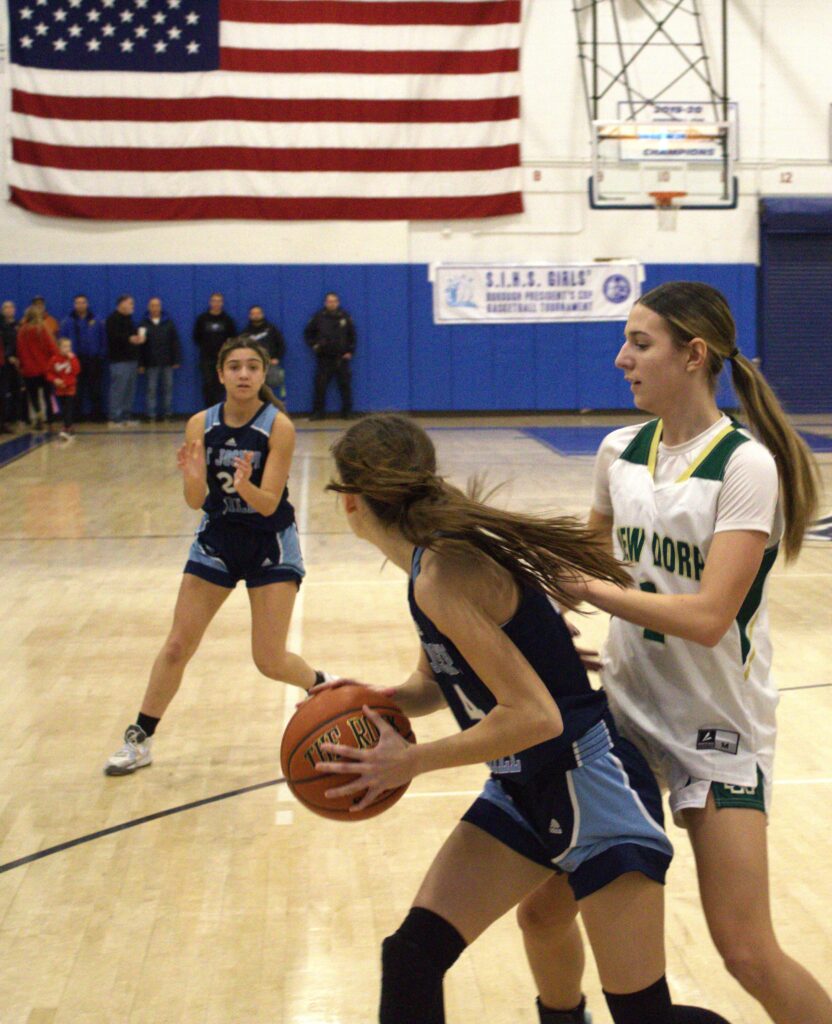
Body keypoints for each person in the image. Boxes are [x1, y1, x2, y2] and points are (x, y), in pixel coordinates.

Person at [309, 412, 730, 1024]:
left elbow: (535, 716)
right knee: (412, 957)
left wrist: (411, 760)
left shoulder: (442, 573)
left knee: (645, 1017)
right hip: (527, 784)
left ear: (350, 503)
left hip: (593, 785)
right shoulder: (430, 565)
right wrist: (369, 699)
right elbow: (437, 684)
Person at [516, 281, 832, 1024]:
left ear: (694, 355)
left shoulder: (745, 465)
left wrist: (592, 591)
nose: (622, 358)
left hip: (716, 728)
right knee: (542, 914)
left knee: (746, 951)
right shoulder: (618, 450)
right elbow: (586, 564)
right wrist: (530, 607)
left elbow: (709, 616)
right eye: (626, 341)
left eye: (641, 343)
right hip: (622, 719)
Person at [104, 337, 334, 777]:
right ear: (220, 373)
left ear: (264, 374)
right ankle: (140, 738)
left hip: (269, 540)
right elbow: (196, 501)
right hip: (218, 539)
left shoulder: (278, 426)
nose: (244, 374)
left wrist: (245, 486)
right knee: (176, 645)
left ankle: (320, 685)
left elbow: (268, 503)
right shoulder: (200, 424)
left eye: (252, 367)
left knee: (269, 660)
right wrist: (194, 478)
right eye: (235, 367)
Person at [304, 291, 356, 420]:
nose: (331, 303)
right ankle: (318, 413)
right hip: (324, 358)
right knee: (320, 387)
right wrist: (314, 345)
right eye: (329, 301)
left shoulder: (345, 317)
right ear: (325, 303)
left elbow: (352, 335)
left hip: (341, 358)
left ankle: (347, 412)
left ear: (338, 302)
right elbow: (308, 333)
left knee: (345, 386)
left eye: (334, 301)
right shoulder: (318, 317)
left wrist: (350, 351)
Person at [59, 295, 107, 423]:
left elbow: (103, 339)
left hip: (93, 359)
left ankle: (96, 414)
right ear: (74, 305)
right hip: (74, 360)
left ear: (87, 304)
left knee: (95, 388)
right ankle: (76, 415)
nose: (80, 305)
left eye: (83, 302)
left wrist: (100, 354)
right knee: (76, 389)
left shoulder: (97, 320)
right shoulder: (67, 322)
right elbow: (61, 340)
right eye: (77, 303)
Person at [139, 297, 181, 422]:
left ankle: (167, 414)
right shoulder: (143, 324)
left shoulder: (168, 322)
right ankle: (151, 414)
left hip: (167, 361)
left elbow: (175, 342)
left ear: (160, 307)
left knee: (168, 388)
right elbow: (141, 346)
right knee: (151, 389)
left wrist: (176, 359)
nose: (155, 308)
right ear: (149, 307)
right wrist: (141, 363)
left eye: (157, 305)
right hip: (151, 362)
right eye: (152, 305)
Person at [17, 304, 58, 430]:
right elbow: (52, 347)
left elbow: (20, 350)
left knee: (33, 396)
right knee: (47, 395)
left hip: (29, 369)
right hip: (44, 368)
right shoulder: (42, 329)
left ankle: (38, 417)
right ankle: (50, 421)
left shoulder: (22, 331)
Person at [106, 294, 144, 427]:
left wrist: (138, 339)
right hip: (119, 361)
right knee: (119, 389)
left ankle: (126, 416)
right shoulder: (112, 319)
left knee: (129, 390)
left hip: (131, 360)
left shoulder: (129, 319)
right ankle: (114, 417)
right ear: (122, 304)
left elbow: (133, 336)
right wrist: (129, 339)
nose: (132, 306)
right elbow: (114, 337)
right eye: (130, 303)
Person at [193, 292, 236, 406]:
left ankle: (220, 409)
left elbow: (233, 338)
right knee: (207, 384)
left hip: (222, 358)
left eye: (218, 301)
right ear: (210, 302)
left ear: (222, 303)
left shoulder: (227, 320)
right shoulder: (202, 319)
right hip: (206, 358)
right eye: (214, 301)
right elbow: (196, 337)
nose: (216, 303)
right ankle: (209, 409)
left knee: (221, 384)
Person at [241, 304, 286, 401]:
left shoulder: (271, 329)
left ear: (262, 314)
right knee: (254, 389)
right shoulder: (245, 332)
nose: (256, 315)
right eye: (253, 313)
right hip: (252, 366)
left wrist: (277, 357)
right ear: (249, 315)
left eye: (258, 313)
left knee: (272, 387)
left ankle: (271, 412)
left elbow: (281, 344)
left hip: (269, 363)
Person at [46, 337, 81, 441]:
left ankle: (66, 428)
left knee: (68, 408)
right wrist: (55, 379)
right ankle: (69, 427)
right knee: (63, 409)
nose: (68, 349)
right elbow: (49, 373)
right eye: (65, 346)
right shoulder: (54, 359)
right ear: (59, 348)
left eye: (69, 346)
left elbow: (76, 371)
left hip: (70, 388)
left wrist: (72, 359)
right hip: (59, 389)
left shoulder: (73, 358)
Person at [1, 301, 24, 430]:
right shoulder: (2, 326)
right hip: (4, 362)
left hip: (17, 362)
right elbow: (6, 344)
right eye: (6, 307)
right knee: (4, 392)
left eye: (11, 307)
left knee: (17, 390)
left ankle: (14, 418)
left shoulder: (18, 325)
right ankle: (4, 421)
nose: (9, 310)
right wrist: (8, 356)